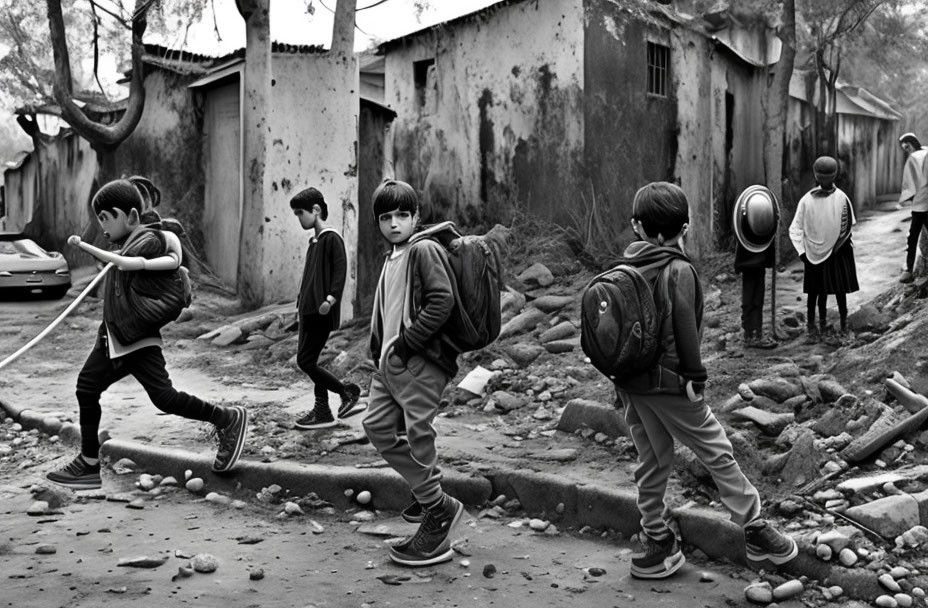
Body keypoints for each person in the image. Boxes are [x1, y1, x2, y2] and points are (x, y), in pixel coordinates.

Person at [614, 181, 798, 580]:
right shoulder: (679, 269)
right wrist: (695, 376)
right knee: (716, 449)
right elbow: (684, 326)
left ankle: (655, 542)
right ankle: (754, 528)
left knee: (652, 459)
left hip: (631, 385)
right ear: (686, 227)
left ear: (636, 226)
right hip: (670, 384)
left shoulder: (624, 267)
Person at [46, 178, 248, 490]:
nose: (101, 227)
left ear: (129, 217)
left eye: (105, 218)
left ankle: (227, 419)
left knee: (164, 398)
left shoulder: (148, 241)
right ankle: (88, 464)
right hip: (114, 335)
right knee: (87, 387)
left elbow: (156, 252)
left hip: (134, 338)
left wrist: (85, 246)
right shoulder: (128, 242)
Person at [361, 179, 465, 567]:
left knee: (420, 434)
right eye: (385, 217)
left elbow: (442, 302)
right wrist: (381, 353)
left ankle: (436, 513)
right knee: (376, 427)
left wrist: (405, 345)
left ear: (416, 217)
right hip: (389, 365)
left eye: (402, 215)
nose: (394, 223)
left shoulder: (422, 249)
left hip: (418, 360)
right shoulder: (392, 257)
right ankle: (433, 499)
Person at [289, 187, 362, 429]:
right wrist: (300, 305)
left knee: (306, 361)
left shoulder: (332, 238)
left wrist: (330, 300)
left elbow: (340, 273)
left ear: (316, 210)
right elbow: (309, 277)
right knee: (311, 361)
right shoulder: (314, 242)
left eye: (301, 213)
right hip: (307, 311)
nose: (299, 218)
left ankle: (346, 392)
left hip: (321, 311)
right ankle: (322, 410)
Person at [789, 156, 859, 342]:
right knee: (824, 290)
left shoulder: (810, 199)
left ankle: (821, 325)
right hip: (830, 251)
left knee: (829, 290)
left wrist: (803, 251)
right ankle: (820, 325)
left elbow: (795, 228)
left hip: (831, 251)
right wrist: (803, 252)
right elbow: (848, 225)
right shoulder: (838, 198)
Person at [733, 186, 779, 350]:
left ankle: (755, 333)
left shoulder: (764, 227)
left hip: (757, 261)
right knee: (751, 298)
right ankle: (749, 334)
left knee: (757, 298)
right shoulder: (746, 227)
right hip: (750, 262)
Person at [896, 133, 928, 284]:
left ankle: (908, 269)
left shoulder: (914, 158)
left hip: (920, 203)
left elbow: (910, 184)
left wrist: (904, 199)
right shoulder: (927, 152)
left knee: (913, 236)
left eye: (906, 147)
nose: (907, 150)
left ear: (910, 144)